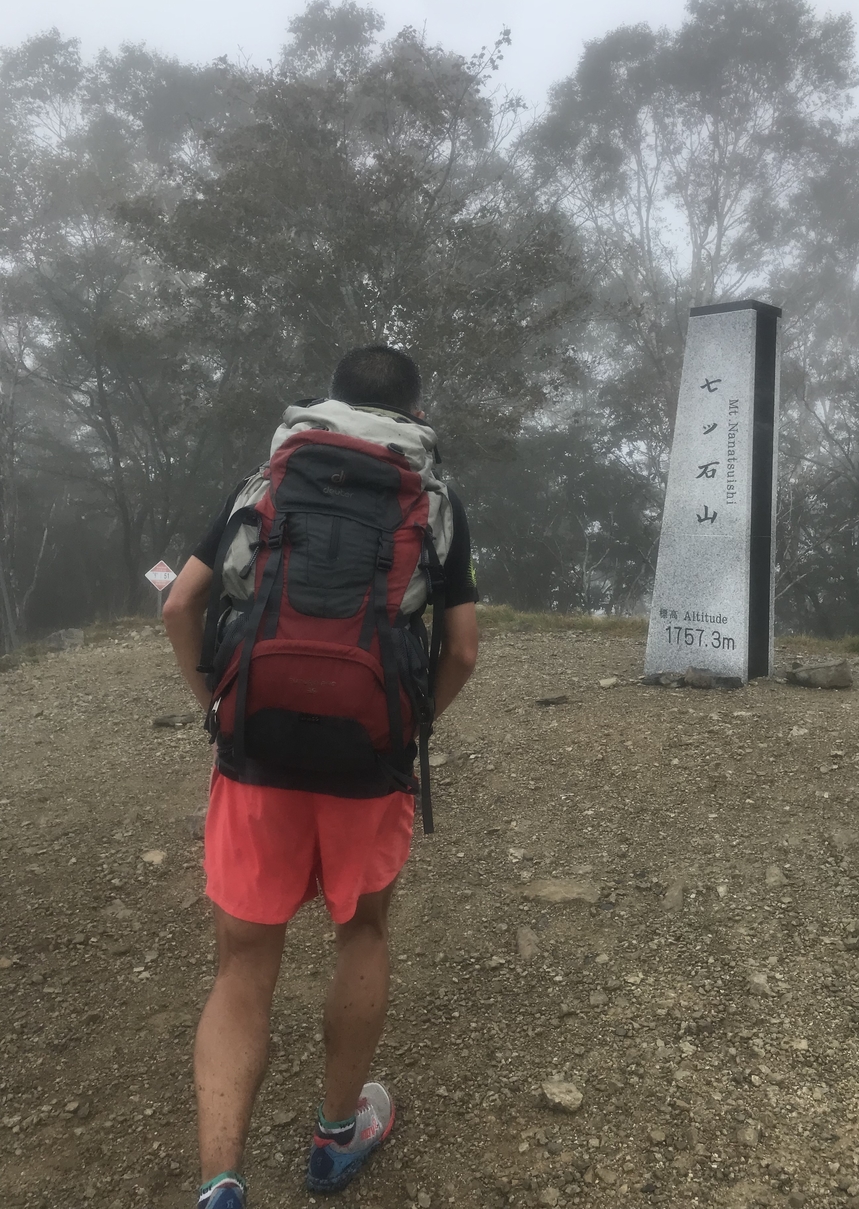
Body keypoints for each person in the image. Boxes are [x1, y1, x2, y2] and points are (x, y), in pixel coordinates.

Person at [162, 345, 479, 1209]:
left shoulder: (267, 478)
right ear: (414, 411)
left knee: (242, 965)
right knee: (363, 933)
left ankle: (221, 1182)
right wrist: (405, 728)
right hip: (368, 763)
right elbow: (462, 650)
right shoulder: (432, 496)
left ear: (327, 401)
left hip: (255, 749)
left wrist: (214, 706)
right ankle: (336, 1140)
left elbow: (179, 605)